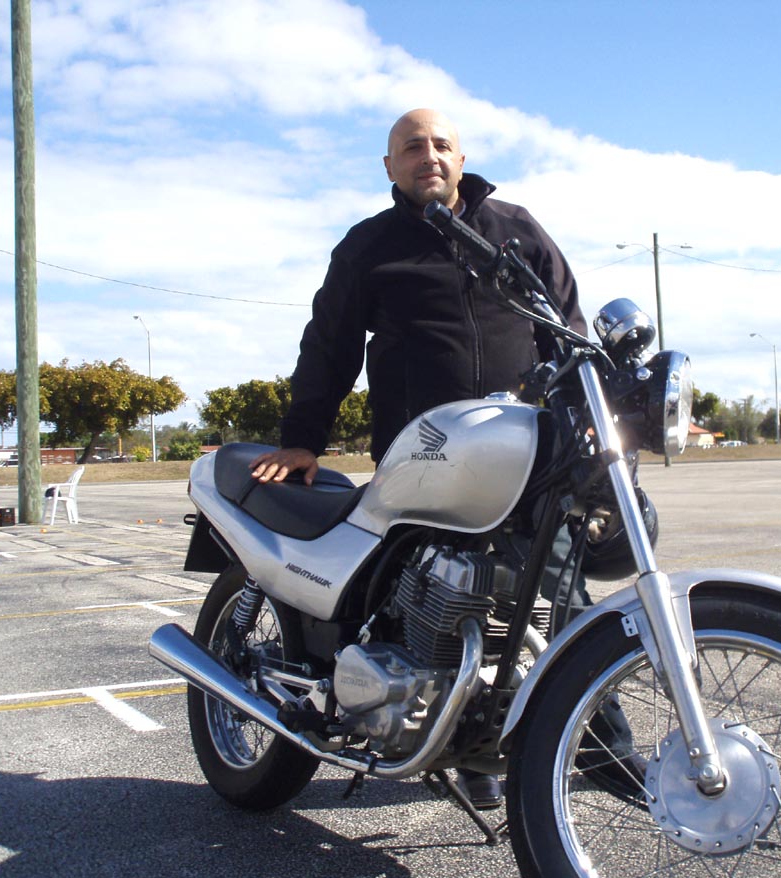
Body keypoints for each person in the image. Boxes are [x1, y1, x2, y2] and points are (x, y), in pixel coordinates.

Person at [250, 109, 587, 810]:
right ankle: (454, 743)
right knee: (424, 606)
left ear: (461, 159)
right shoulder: (370, 246)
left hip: (524, 454)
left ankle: (602, 746)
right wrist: (303, 437)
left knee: (562, 595)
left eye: (440, 145)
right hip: (423, 459)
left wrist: (589, 417)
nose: (427, 155)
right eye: (411, 147)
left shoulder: (515, 230)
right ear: (389, 166)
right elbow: (330, 345)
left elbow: (566, 328)